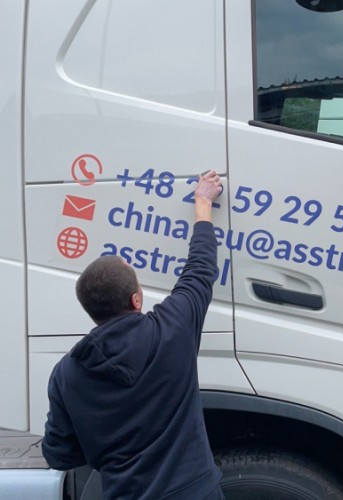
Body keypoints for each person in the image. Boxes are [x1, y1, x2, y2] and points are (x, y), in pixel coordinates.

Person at [42, 170, 225, 500]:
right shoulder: (171, 329)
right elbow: (200, 269)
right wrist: (203, 202)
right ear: (136, 300)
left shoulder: (67, 374)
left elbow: (59, 455)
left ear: (91, 311)